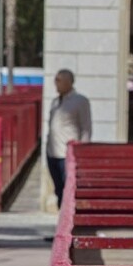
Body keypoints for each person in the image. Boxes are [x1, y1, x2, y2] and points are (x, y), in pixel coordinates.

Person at [46, 69, 91, 208]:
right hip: (52, 152)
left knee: (69, 189)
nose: (56, 84)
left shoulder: (80, 101)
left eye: (59, 80)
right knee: (58, 189)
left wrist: (82, 150)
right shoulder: (55, 102)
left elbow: (86, 127)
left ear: (68, 82)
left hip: (68, 153)